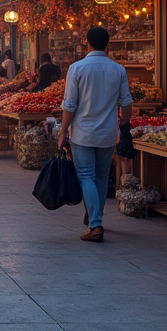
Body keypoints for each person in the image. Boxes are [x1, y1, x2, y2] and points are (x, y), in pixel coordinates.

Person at [58, 27, 133, 243]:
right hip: (108, 133)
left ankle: (95, 224)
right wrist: (124, 122)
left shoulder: (77, 68)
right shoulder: (118, 69)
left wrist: (63, 131)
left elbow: (70, 104)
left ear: (87, 42)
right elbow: (126, 101)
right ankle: (95, 218)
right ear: (106, 44)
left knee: (86, 176)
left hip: (83, 132)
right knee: (101, 176)